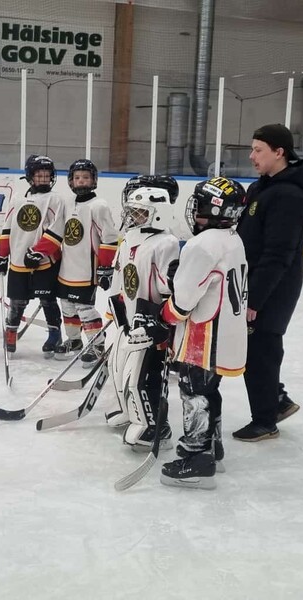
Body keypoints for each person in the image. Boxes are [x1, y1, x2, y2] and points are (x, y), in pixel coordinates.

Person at [139, 176, 248, 490]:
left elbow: (184, 301)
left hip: (204, 335)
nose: (194, 210)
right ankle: (213, 448)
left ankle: (197, 459)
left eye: (199, 205)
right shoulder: (232, 238)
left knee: (194, 393)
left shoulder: (203, 244)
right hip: (226, 332)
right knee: (210, 390)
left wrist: (163, 318)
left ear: (213, 210)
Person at [233, 123, 303, 442]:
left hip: (273, 288)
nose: (252, 156)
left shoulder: (289, 196)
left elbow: (278, 254)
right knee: (254, 348)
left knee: (261, 350)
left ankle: (265, 420)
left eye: (258, 150)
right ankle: (277, 401)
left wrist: (255, 299)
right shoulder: (262, 187)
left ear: (279, 152)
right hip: (254, 282)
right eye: (252, 149)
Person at [104, 186, 180, 447]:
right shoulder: (129, 238)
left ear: (158, 213)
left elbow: (168, 287)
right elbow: (120, 274)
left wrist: (159, 323)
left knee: (144, 376)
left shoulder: (166, 243)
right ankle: (129, 411)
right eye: (133, 211)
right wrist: (115, 307)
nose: (133, 217)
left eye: (140, 212)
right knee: (118, 369)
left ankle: (156, 426)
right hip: (127, 318)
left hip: (149, 322)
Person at [28, 159, 117, 365]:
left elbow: (109, 238)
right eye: (77, 178)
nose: (81, 181)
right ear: (71, 181)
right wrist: (38, 252)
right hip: (66, 270)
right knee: (67, 306)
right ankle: (74, 340)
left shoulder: (99, 206)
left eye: (86, 177)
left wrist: (105, 267)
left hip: (86, 271)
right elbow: (56, 232)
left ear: (93, 180)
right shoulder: (67, 203)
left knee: (84, 309)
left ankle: (97, 345)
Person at [0, 155, 65, 356]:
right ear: (30, 176)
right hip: (18, 260)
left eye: (47, 175)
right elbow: (8, 228)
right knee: (17, 301)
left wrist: (38, 252)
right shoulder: (18, 198)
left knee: (48, 300)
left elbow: (57, 228)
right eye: (39, 175)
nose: (44, 178)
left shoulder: (55, 199)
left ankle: (54, 334)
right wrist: (2, 255)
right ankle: (11, 333)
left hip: (45, 262)